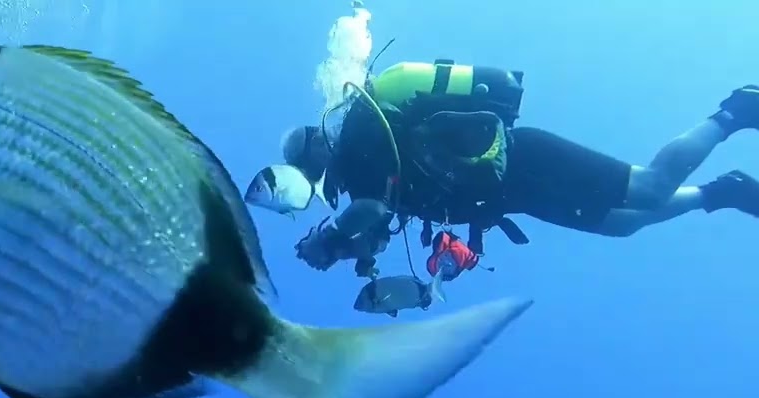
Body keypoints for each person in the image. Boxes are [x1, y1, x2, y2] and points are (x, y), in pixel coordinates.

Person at [285, 59, 759, 279]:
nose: (317, 174)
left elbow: (368, 208)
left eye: (309, 162)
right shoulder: (370, 171)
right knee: (623, 225)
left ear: (319, 143)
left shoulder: (362, 133)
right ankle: (721, 192)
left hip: (521, 157)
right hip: (515, 195)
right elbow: (378, 226)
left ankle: (734, 112)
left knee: (651, 189)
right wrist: (342, 249)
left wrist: (327, 238)